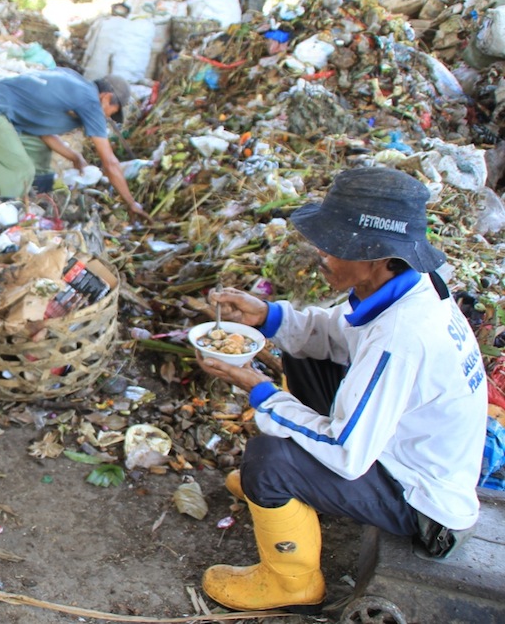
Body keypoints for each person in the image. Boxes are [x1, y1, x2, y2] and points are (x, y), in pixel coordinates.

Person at [195, 168, 487, 613]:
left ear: (380, 258)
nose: (322, 254)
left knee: (267, 461)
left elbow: (346, 449)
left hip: (424, 504)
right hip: (397, 449)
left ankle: (292, 583)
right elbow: (337, 334)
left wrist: (260, 390)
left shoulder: (403, 336)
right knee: (306, 353)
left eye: (336, 245)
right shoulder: (406, 287)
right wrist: (268, 317)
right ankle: (292, 496)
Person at [0, 68, 150, 221]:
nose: (108, 117)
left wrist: (75, 156)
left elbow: (43, 132)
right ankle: (5, 220)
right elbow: (109, 162)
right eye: (112, 111)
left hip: (0, 109)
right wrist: (131, 202)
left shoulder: (77, 84)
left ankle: (40, 205)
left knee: (40, 157)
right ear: (106, 97)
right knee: (21, 170)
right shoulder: (91, 102)